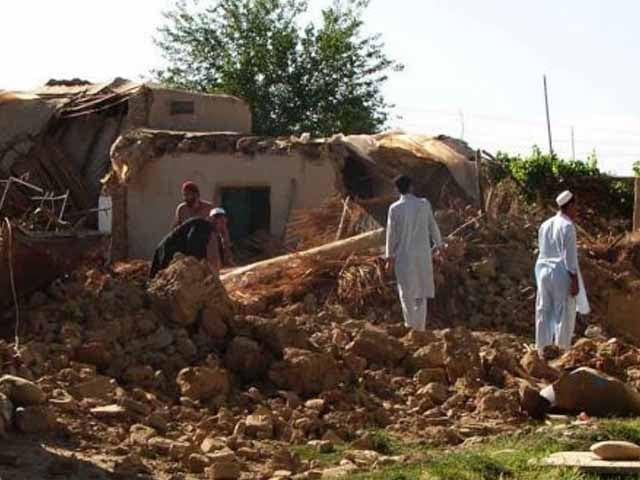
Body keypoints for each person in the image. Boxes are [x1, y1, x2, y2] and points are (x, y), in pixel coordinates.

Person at [385, 174, 444, 331]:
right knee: (421, 292)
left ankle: (410, 328)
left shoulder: (394, 208)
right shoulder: (424, 204)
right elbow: (433, 227)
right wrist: (439, 246)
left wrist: (389, 258)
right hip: (422, 256)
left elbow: (391, 236)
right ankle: (420, 329)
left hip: (403, 258)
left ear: (398, 190)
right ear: (411, 186)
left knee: (406, 294)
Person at [535, 190, 590, 353]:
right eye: (576, 206)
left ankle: (541, 351)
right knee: (563, 314)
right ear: (570, 205)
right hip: (561, 273)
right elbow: (569, 257)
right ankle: (561, 353)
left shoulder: (545, 224)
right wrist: (574, 280)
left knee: (543, 311)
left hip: (543, 271)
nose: (577, 209)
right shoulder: (568, 226)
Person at [150, 210, 221, 279]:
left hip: (170, 251)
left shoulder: (206, 228)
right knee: (163, 279)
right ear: (212, 219)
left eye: (224, 223)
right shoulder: (202, 225)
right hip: (168, 251)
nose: (221, 225)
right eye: (220, 222)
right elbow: (193, 245)